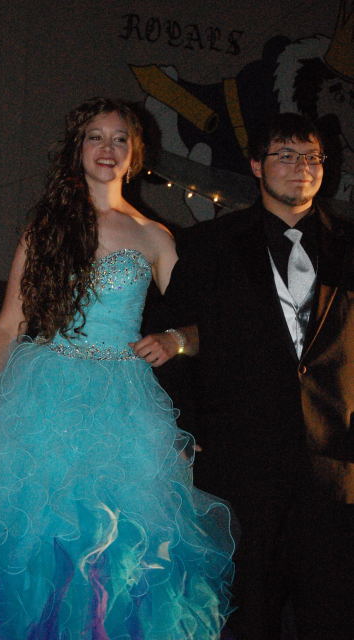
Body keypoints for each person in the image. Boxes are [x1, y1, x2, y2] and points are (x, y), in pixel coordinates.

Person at [0, 97, 234, 639]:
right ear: (78, 147)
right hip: (40, 393)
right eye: (96, 136)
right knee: (29, 537)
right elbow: (8, 325)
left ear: (136, 154)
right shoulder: (46, 226)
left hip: (123, 403)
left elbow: (211, 325)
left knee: (117, 546)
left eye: (120, 138)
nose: (107, 148)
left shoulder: (155, 235)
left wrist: (176, 340)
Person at [133, 113, 354, 640]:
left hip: (337, 462)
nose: (301, 168)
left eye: (312, 157)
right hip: (241, 460)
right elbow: (170, 339)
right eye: (285, 155)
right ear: (256, 165)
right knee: (247, 611)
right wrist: (189, 429)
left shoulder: (350, 244)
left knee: (335, 611)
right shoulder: (209, 243)